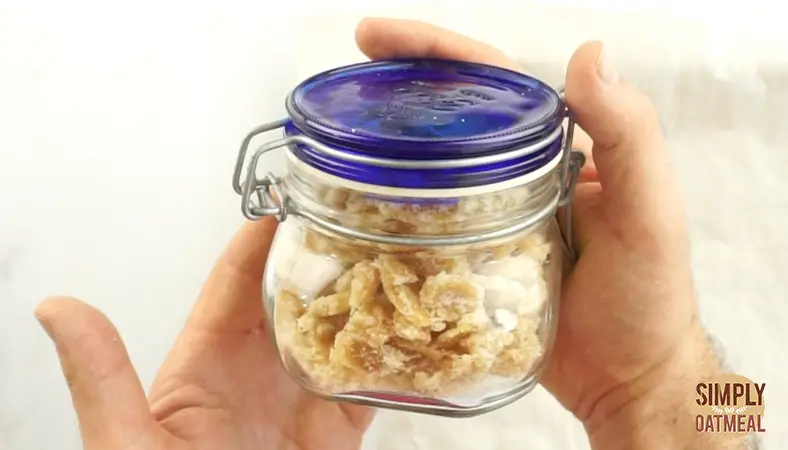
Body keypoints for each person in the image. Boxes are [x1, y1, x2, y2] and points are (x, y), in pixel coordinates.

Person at [34, 17, 755, 450]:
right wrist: (659, 385)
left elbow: (733, 404)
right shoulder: (319, 273)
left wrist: (660, 383)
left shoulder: (541, 263)